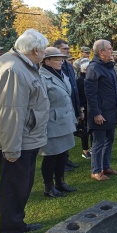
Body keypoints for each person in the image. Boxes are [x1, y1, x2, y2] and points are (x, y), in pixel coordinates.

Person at [0, 29, 49, 233]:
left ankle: (17, 223)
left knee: (22, 184)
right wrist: (11, 150)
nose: (45, 54)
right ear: (35, 50)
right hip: (18, 141)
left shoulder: (21, 64)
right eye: (44, 50)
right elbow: (10, 112)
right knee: (13, 186)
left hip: (26, 138)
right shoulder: (13, 69)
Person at [39, 47, 78, 198]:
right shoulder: (42, 77)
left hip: (65, 120)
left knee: (62, 154)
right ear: (47, 61)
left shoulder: (61, 74)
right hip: (52, 122)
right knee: (50, 156)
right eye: (57, 59)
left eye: (62, 58)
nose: (61, 61)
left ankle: (60, 182)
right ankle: (49, 188)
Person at [85, 39, 117, 181]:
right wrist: (96, 113)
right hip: (100, 113)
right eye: (109, 49)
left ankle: (106, 166)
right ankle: (96, 171)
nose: (112, 51)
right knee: (98, 142)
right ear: (101, 52)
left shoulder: (109, 66)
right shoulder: (93, 68)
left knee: (109, 140)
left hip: (111, 111)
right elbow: (90, 93)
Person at [53, 39, 81, 171]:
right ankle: (61, 163)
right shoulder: (55, 66)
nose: (68, 50)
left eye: (68, 48)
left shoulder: (68, 65)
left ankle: (66, 159)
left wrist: (78, 107)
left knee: (69, 134)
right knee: (61, 137)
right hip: (60, 108)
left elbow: (74, 87)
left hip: (71, 104)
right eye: (65, 49)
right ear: (57, 50)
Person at [76, 58, 92, 159]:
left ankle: (93, 149)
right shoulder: (80, 81)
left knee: (92, 130)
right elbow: (79, 96)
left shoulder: (90, 79)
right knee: (84, 131)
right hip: (84, 108)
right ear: (85, 69)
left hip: (91, 107)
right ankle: (85, 151)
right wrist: (81, 110)